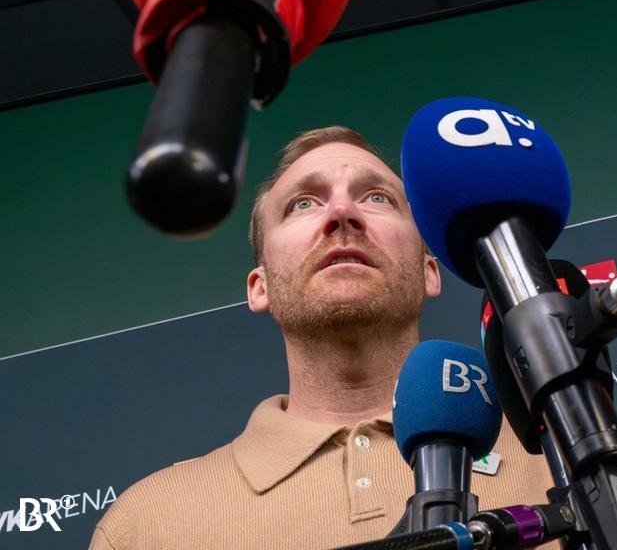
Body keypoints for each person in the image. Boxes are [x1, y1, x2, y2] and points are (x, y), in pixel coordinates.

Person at [91, 126, 558, 549]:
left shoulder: (557, 455)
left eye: (377, 198)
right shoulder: (145, 525)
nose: (341, 213)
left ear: (428, 272)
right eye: (303, 203)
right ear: (260, 287)